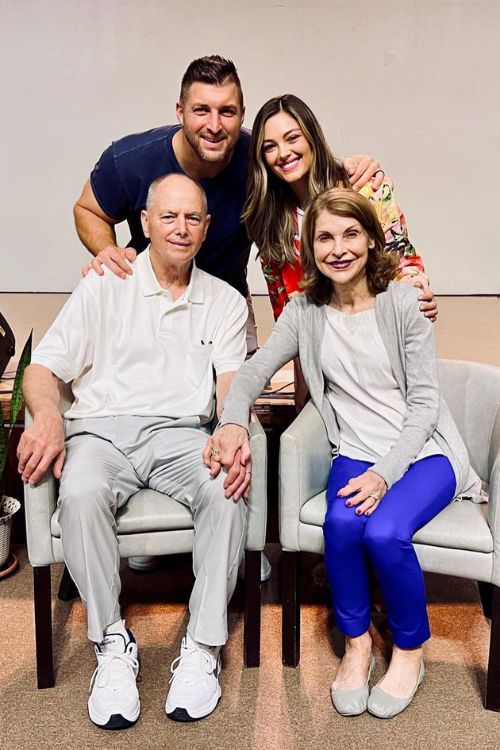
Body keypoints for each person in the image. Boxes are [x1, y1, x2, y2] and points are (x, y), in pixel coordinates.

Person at [206, 188, 480, 719]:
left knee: (383, 531)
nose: (339, 248)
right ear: (310, 248)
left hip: (423, 453)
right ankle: (356, 645)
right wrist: (233, 420)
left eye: (351, 233)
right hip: (354, 449)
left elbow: (424, 405)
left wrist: (384, 475)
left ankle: (408, 648)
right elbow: (254, 371)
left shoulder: (403, 302)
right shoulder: (306, 310)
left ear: (372, 238)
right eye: (325, 237)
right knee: (340, 524)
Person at [18, 174, 251, 729]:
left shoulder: (224, 300)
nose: (180, 228)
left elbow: (230, 387)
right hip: (102, 432)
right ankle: (111, 644)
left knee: (227, 486)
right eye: (168, 216)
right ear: (144, 223)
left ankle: (202, 645)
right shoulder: (105, 283)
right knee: (77, 491)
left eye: (192, 218)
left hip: (181, 434)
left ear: (206, 228)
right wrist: (49, 414)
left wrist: (231, 427)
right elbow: (42, 368)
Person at [73, 55, 384, 351]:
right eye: (201, 110)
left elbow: (306, 171)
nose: (214, 125)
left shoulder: (260, 160)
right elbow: (88, 209)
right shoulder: (131, 160)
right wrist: (107, 251)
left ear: (242, 114)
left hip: (227, 301)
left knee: (237, 389)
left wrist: (353, 168)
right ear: (180, 111)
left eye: (226, 111)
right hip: (148, 296)